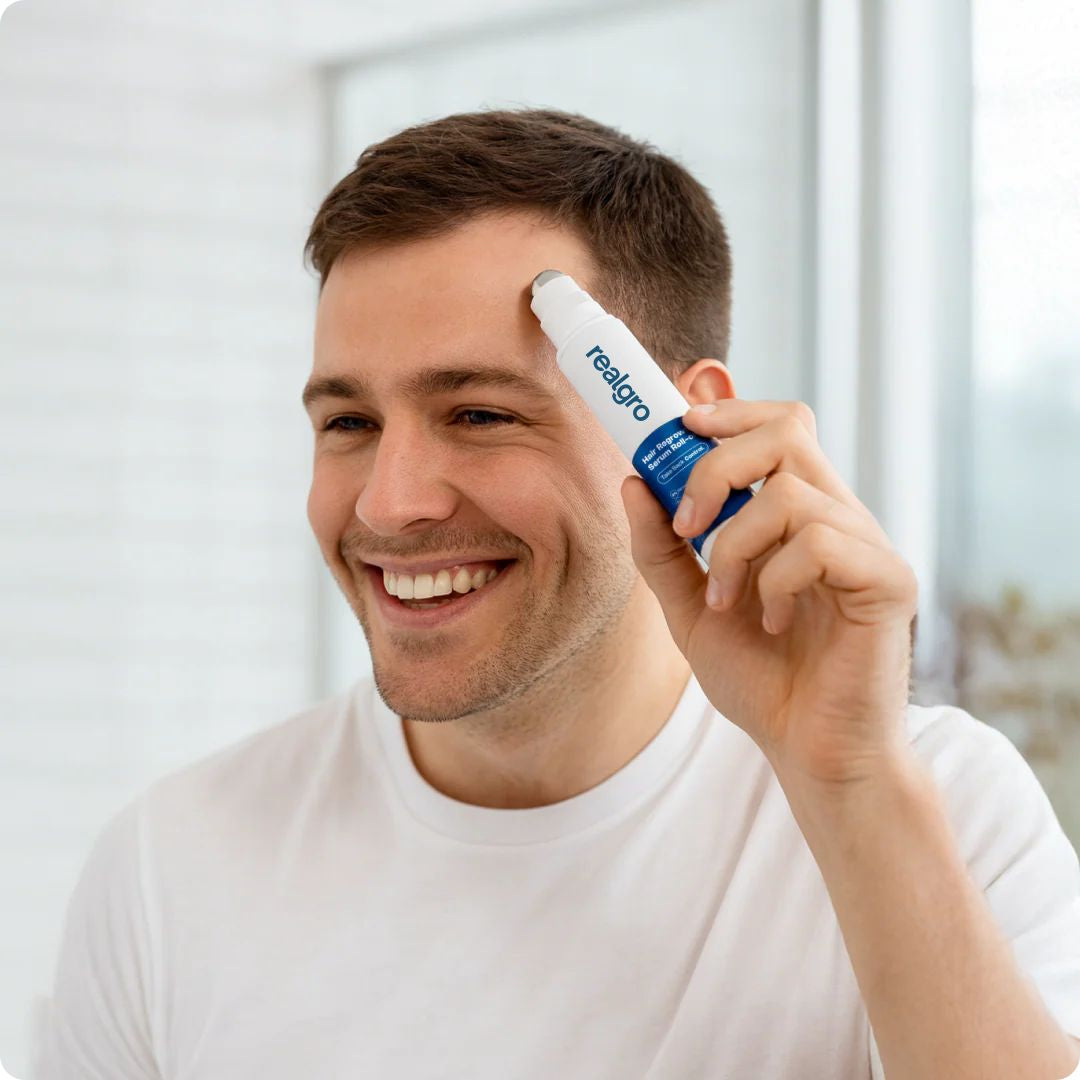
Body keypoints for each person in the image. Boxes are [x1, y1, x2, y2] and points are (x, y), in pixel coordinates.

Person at [36, 109, 1080, 1079]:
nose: (392, 503)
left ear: (689, 428)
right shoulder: (170, 868)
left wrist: (850, 787)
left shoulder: (934, 809)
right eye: (348, 423)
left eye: (481, 415)